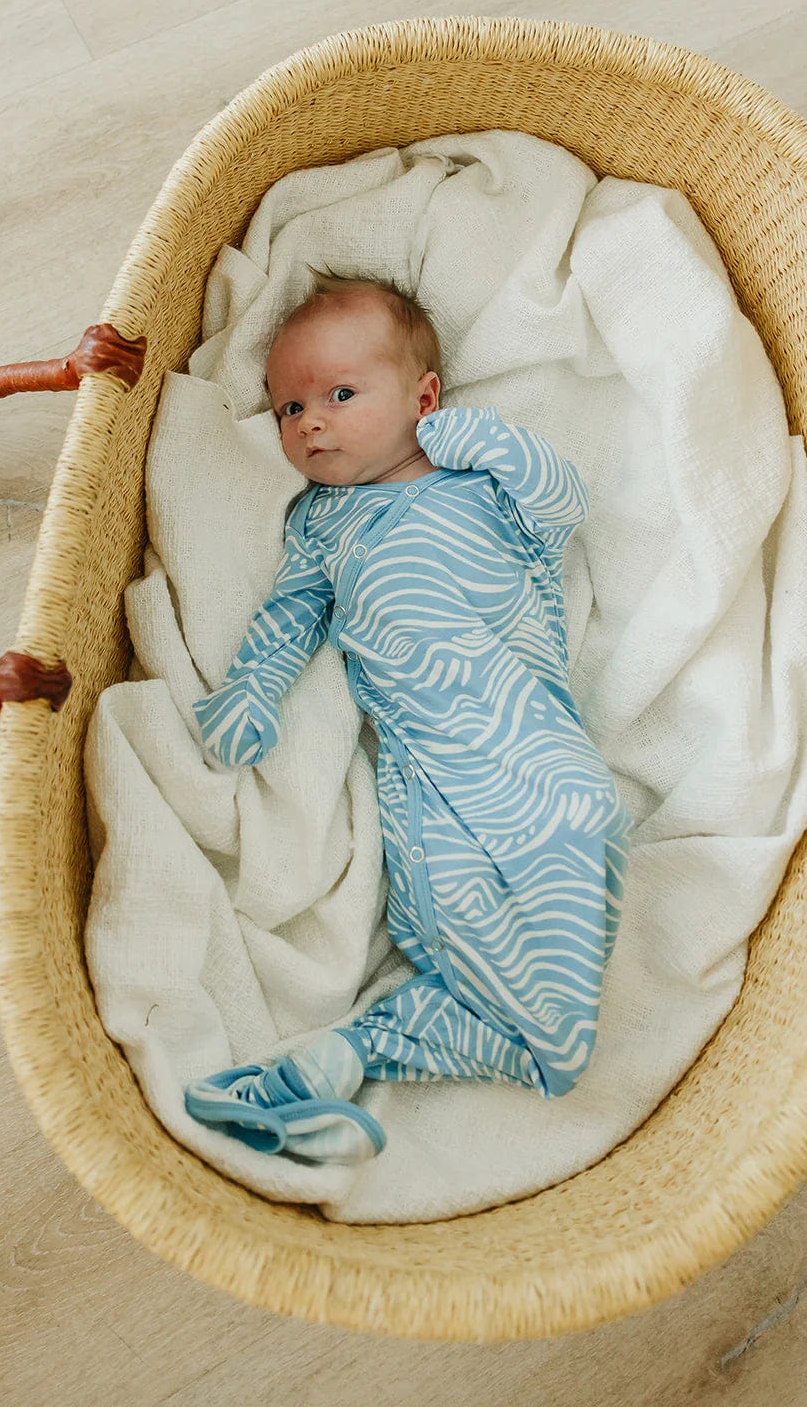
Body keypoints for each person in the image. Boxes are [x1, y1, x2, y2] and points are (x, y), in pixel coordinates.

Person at [185, 269, 633, 1163]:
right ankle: (391, 1047)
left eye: (339, 395)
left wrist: (489, 441)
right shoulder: (322, 526)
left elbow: (564, 503)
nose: (308, 423)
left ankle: (398, 1044)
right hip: (433, 770)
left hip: (535, 737)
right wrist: (251, 687)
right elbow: (291, 613)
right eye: (288, 408)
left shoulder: (485, 484)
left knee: (588, 816)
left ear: (423, 399)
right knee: (487, 942)